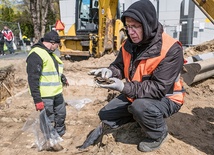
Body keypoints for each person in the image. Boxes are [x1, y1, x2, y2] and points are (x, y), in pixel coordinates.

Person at [89, 0, 185, 152]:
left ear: (148, 24)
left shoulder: (171, 49)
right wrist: (110, 71)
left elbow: (158, 89)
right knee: (105, 114)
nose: (130, 31)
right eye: (128, 26)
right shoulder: (129, 44)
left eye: (135, 26)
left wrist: (123, 87)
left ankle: (158, 134)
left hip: (166, 97)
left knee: (140, 107)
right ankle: (140, 117)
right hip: (137, 92)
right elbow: (119, 66)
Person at [26, 30, 69, 141]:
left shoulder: (49, 53)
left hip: (56, 92)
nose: (57, 48)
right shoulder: (36, 54)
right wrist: (37, 100)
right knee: (48, 119)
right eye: (57, 45)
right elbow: (32, 79)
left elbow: (52, 70)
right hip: (45, 95)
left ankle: (58, 135)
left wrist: (62, 77)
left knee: (61, 114)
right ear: (52, 42)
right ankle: (49, 140)